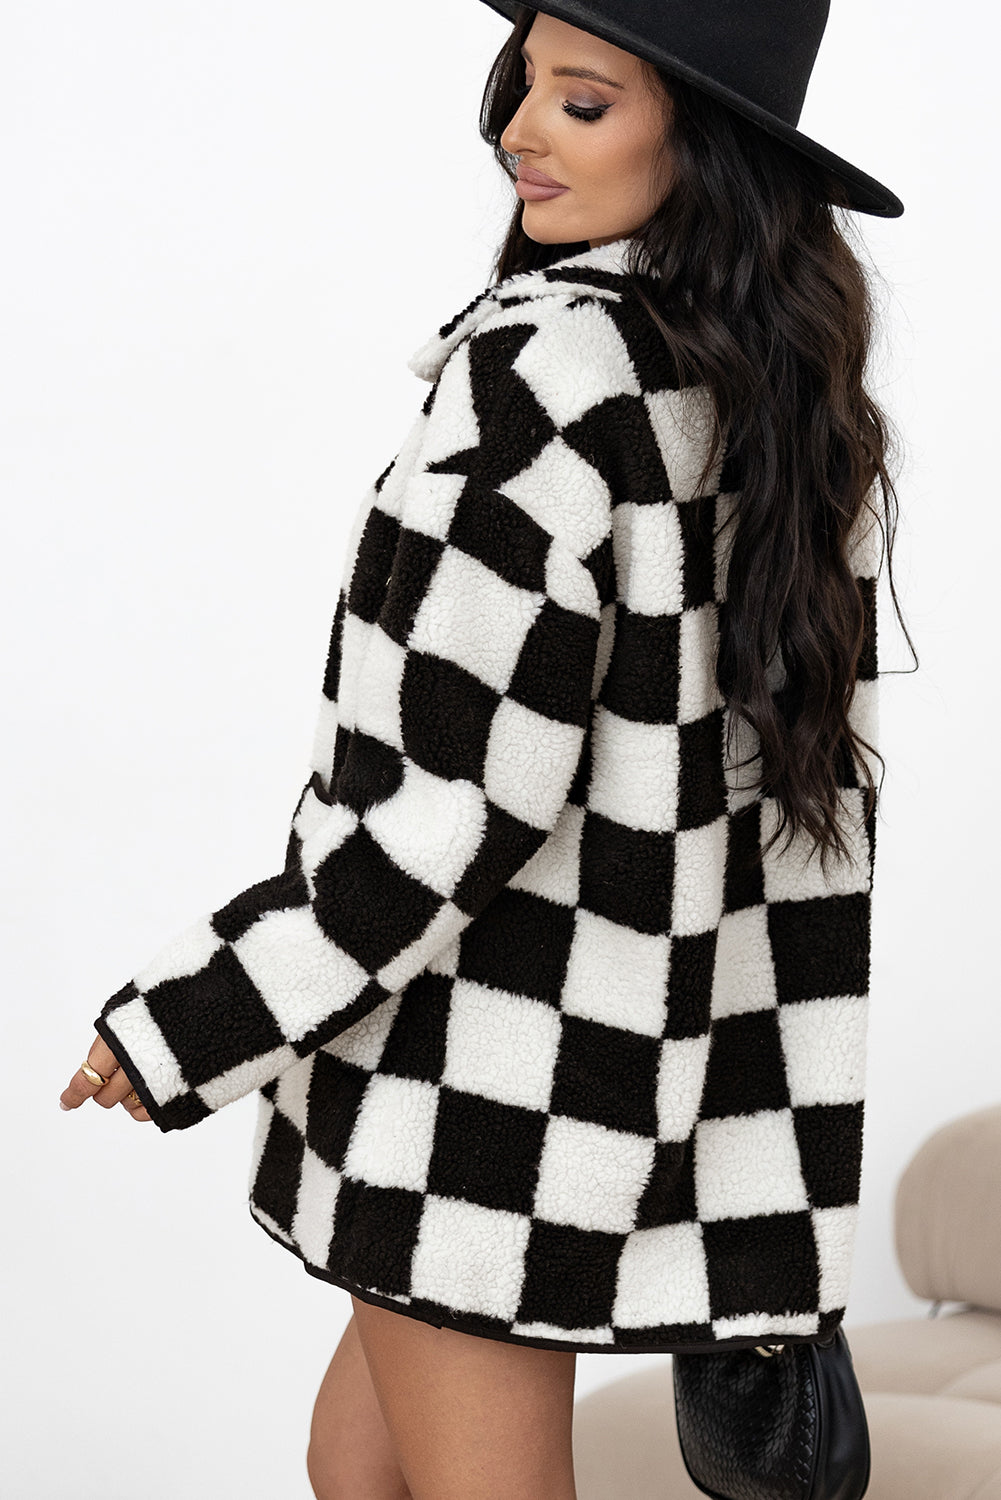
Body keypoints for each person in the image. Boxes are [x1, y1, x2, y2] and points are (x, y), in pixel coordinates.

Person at [59, 2, 911, 1497]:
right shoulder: (788, 391)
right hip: (638, 1071)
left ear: (707, 147)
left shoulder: (542, 374)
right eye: (524, 83)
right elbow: (796, 824)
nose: (519, 129)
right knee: (355, 1467)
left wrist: (198, 1019)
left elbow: (445, 806)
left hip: (475, 1078)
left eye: (582, 102)